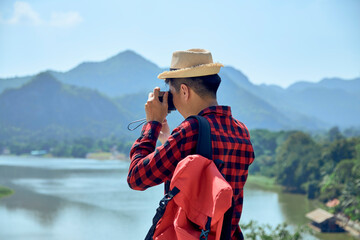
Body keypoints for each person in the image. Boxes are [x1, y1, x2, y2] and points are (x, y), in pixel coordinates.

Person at [127, 48, 255, 239]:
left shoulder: (191, 129)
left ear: (184, 91)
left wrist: (152, 125)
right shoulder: (241, 131)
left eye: (172, 92)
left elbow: (136, 177)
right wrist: (168, 141)